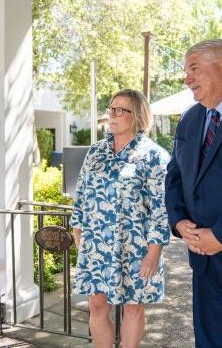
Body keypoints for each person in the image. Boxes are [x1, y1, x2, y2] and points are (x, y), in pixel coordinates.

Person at [71, 89, 170, 348]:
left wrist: (154, 252)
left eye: (119, 110)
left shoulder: (154, 156)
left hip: (136, 247)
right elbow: (81, 194)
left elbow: (161, 209)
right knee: (96, 305)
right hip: (96, 243)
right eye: (110, 109)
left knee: (133, 308)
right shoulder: (96, 152)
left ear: (136, 115)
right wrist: (78, 231)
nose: (111, 115)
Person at [165, 39, 222, 348]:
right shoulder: (190, 118)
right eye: (186, 71)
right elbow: (174, 174)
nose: (187, 79)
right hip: (202, 259)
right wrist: (179, 220)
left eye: (195, 69)